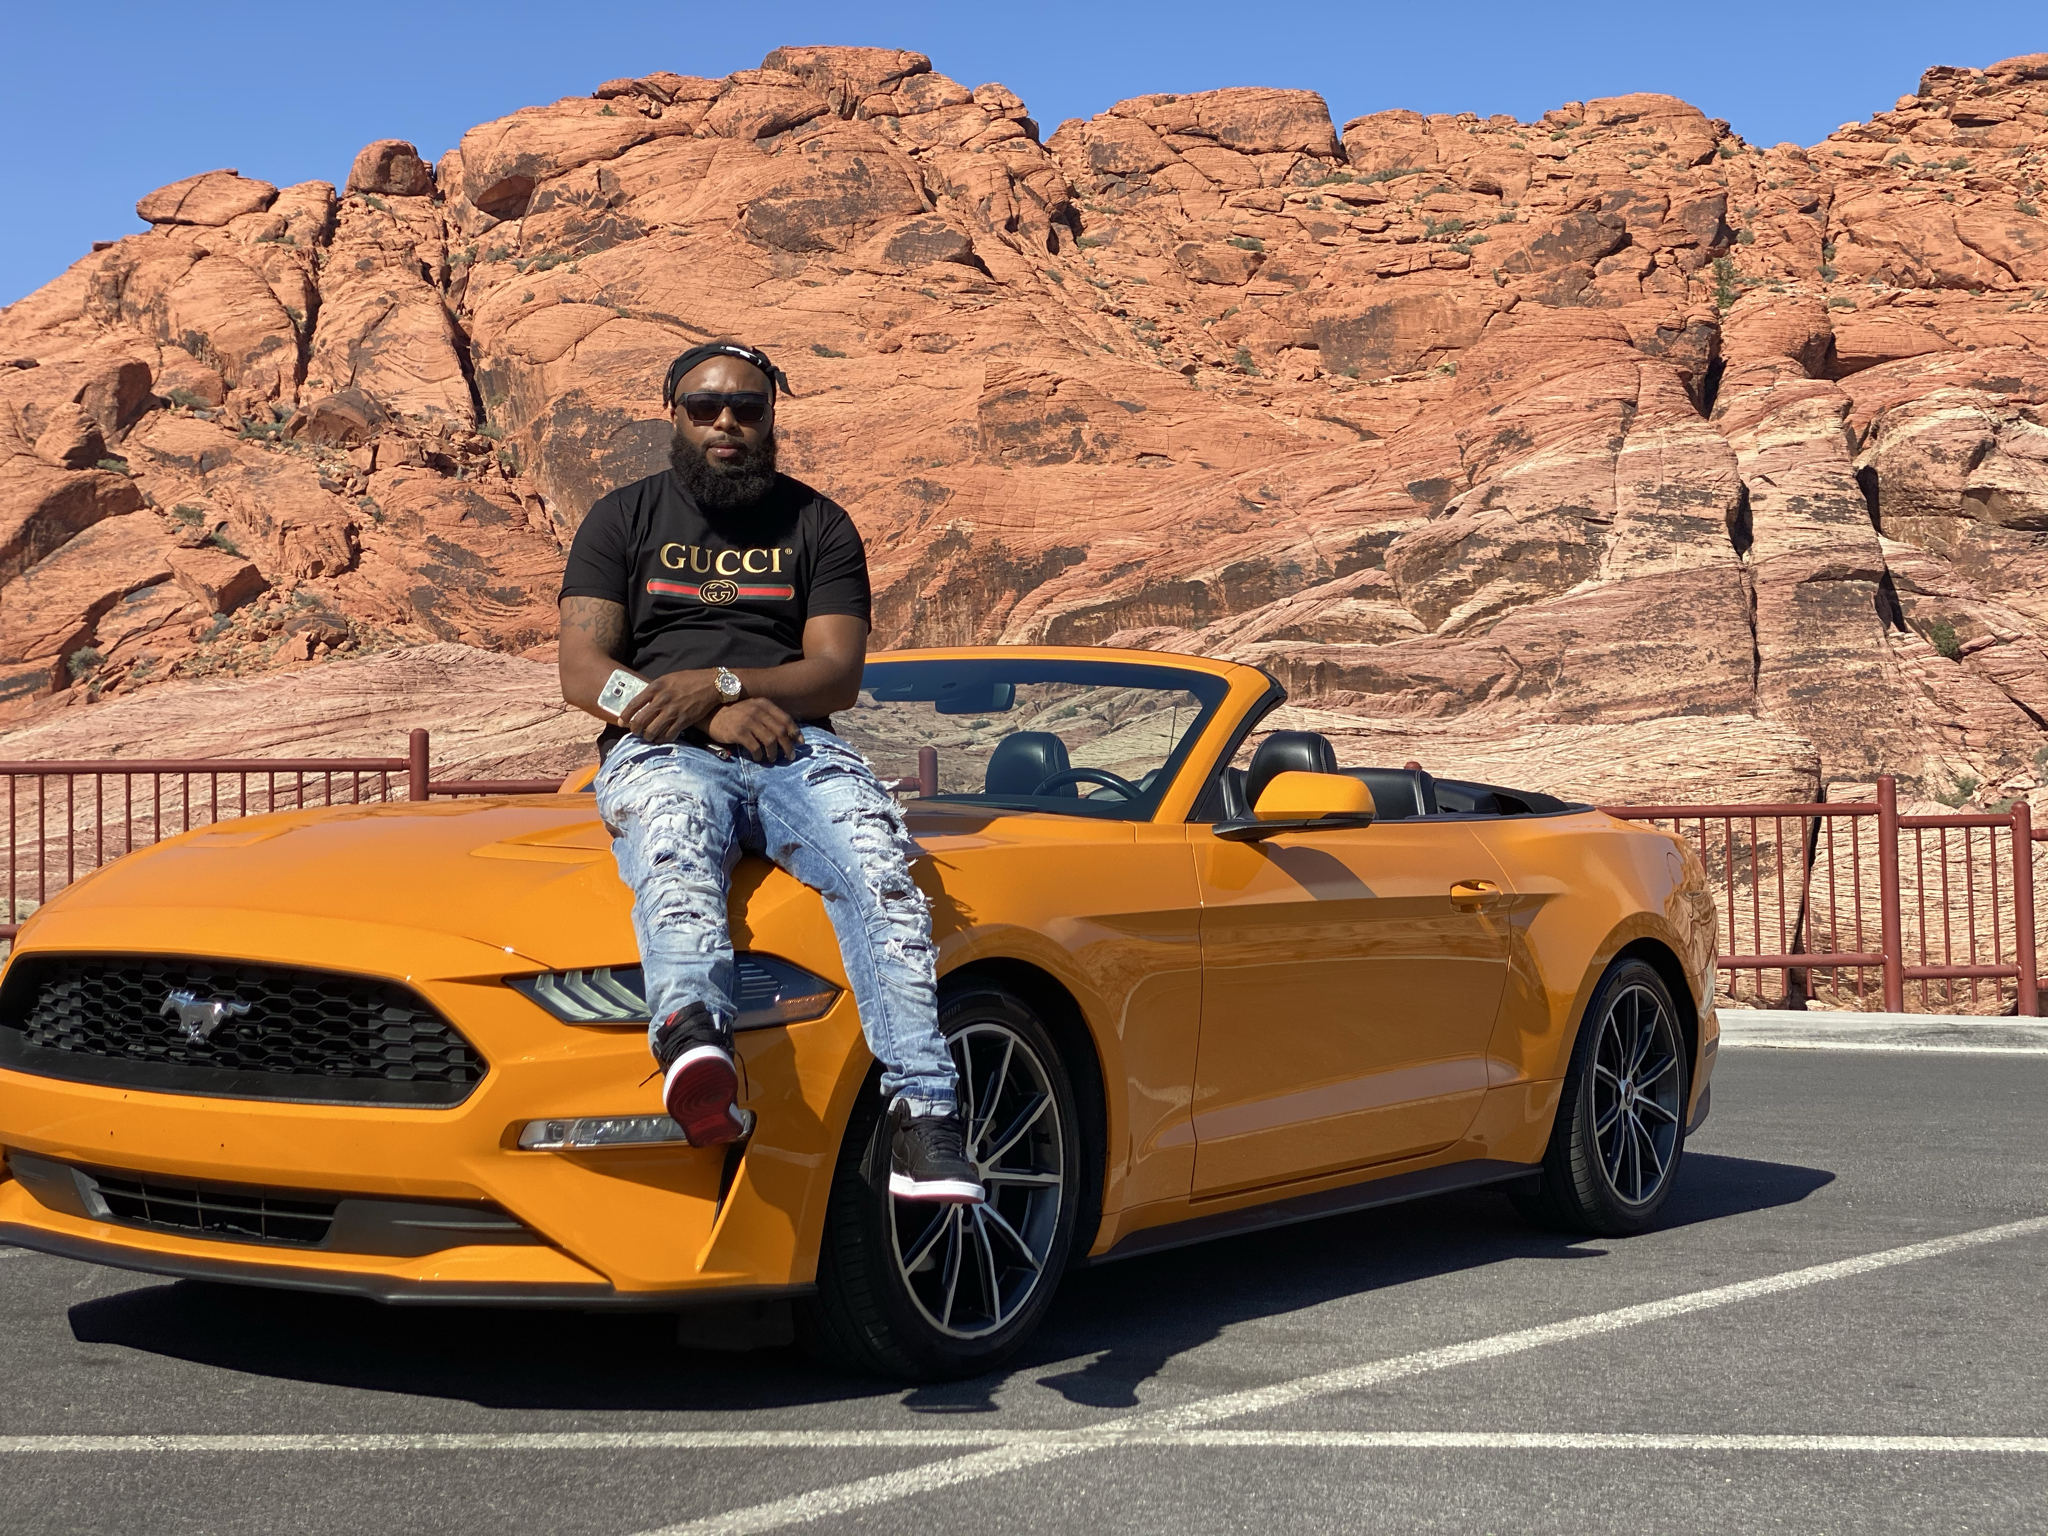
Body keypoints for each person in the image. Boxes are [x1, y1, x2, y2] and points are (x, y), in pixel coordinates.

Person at [556, 341, 982, 1204]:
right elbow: (581, 672)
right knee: (674, 841)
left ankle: (926, 1119)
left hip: (796, 746)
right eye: (705, 407)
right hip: (661, 745)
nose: (727, 423)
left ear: (771, 417)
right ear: (673, 414)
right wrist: (705, 714)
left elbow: (836, 674)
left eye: (747, 408)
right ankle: (693, 1043)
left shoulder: (818, 524)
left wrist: (725, 682)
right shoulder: (621, 519)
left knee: (879, 867)